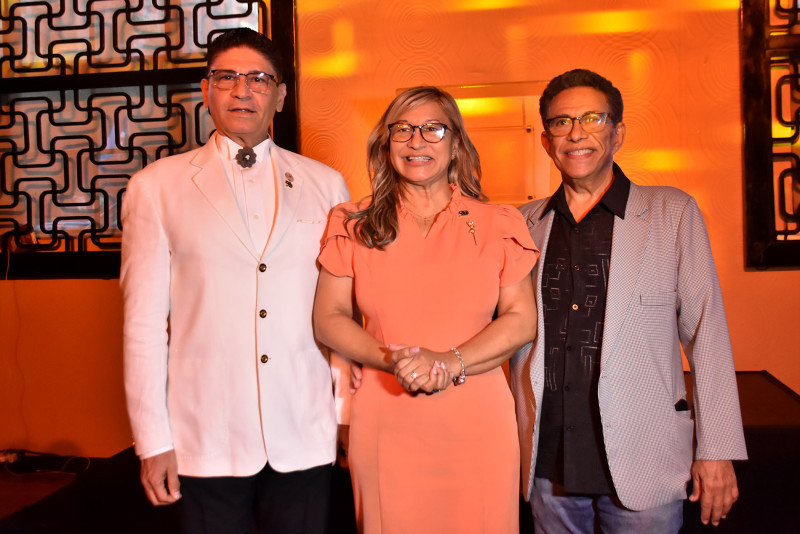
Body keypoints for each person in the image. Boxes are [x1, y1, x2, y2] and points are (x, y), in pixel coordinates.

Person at [120, 27, 349, 534]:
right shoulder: (155, 187)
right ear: (206, 90)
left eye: (258, 79)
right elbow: (141, 325)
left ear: (281, 95)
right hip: (205, 433)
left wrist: (344, 415)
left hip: (304, 429)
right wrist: (152, 439)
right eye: (226, 77)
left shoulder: (326, 183)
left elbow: (339, 311)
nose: (242, 91)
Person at [510, 68, 748, 533]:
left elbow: (708, 336)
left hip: (647, 456)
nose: (576, 132)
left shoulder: (672, 212)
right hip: (547, 458)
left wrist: (716, 448)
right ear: (545, 140)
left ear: (618, 133)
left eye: (592, 118)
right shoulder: (521, 223)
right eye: (561, 122)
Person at [313, 86, 538, 533]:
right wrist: (390, 358)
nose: (417, 141)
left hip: (479, 422)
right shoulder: (352, 222)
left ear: (456, 143)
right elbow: (329, 316)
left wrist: (445, 360)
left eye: (433, 128)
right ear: (386, 142)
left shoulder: (500, 223)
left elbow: (521, 319)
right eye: (403, 129)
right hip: (385, 416)